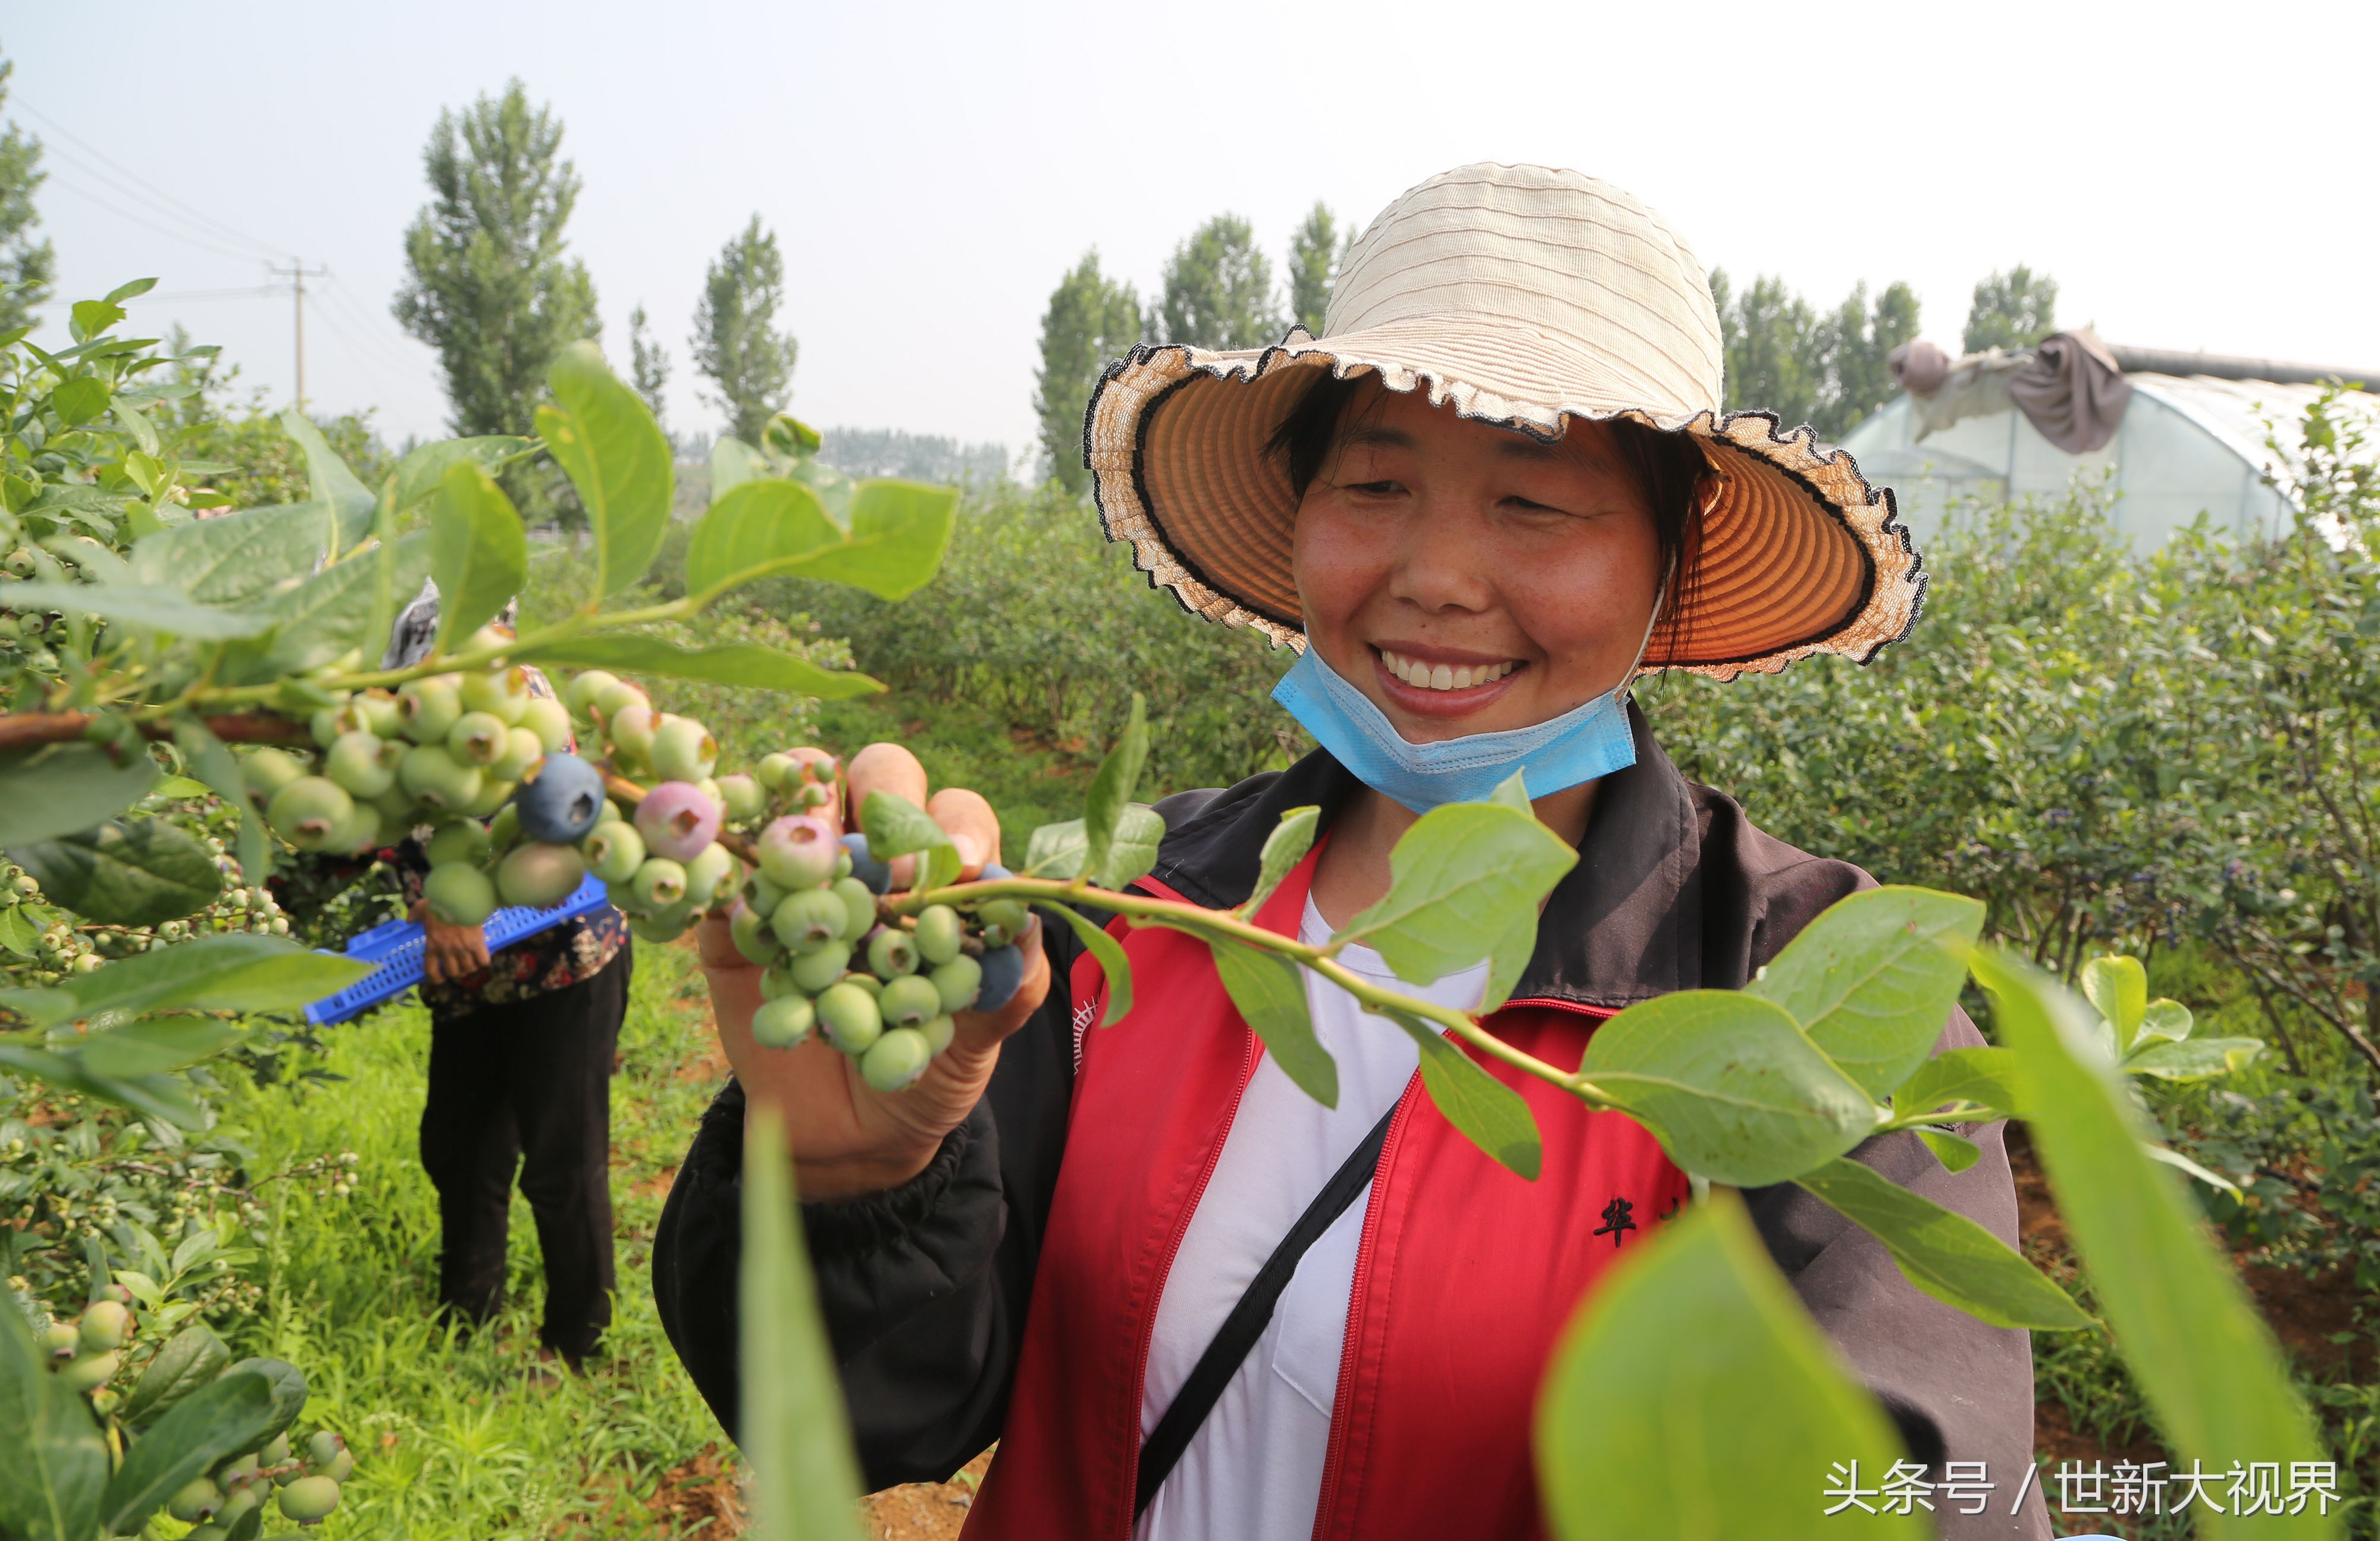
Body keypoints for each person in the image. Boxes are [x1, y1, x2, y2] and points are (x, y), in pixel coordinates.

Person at [652, 164, 2047, 1539]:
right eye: (1374, 485)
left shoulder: (1804, 999)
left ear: (1664, 568)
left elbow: (1916, 1489)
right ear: (1301, 516)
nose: (1434, 576)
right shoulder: (1129, 905)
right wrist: (857, 1182)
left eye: (1535, 504)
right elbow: (870, 1417)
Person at [384, 586, 635, 1375]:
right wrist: (429, 908)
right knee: (460, 1145)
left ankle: (580, 1343)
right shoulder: (402, 708)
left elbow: (545, 830)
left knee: (563, 1161)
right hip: (466, 973)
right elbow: (399, 823)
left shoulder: (519, 708)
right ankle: (466, 1314)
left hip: (563, 967)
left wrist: (457, 905)